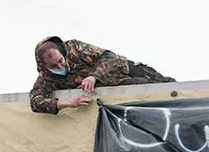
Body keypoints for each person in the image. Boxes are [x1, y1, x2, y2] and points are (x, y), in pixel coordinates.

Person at [30, 36, 175, 114]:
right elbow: (35, 101)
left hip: (121, 69)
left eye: (60, 61)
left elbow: (110, 58)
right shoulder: (47, 76)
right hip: (112, 86)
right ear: (45, 67)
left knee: (164, 86)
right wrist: (66, 103)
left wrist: (93, 76)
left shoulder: (76, 48)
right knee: (141, 89)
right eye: (54, 66)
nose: (59, 66)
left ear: (61, 53)